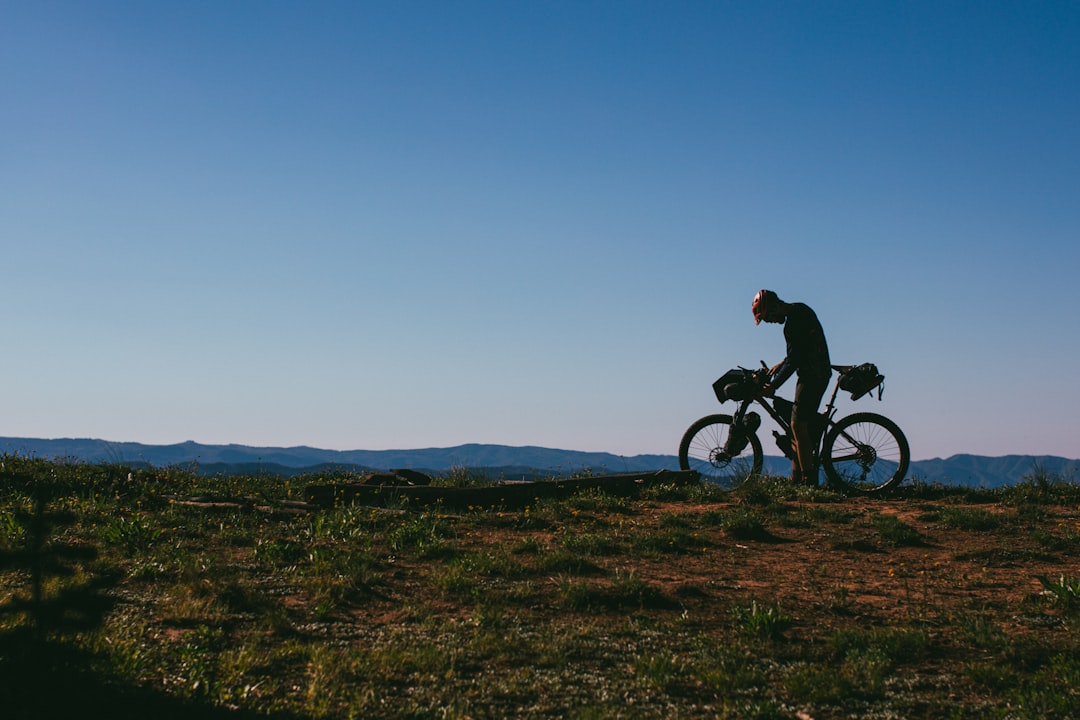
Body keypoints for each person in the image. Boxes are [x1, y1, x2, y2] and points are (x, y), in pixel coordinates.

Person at [751, 289, 831, 485]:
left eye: (767, 317)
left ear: (774, 307)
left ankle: (809, 480)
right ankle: (797, 479)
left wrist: (773, 385)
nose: (769, 321)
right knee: (795, 428)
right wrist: (782, 364)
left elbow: (796, 358)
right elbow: (801, 350)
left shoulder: (793, 323)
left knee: (798, 425)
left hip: (813, 375)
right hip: (815, 372)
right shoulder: (800, 311)